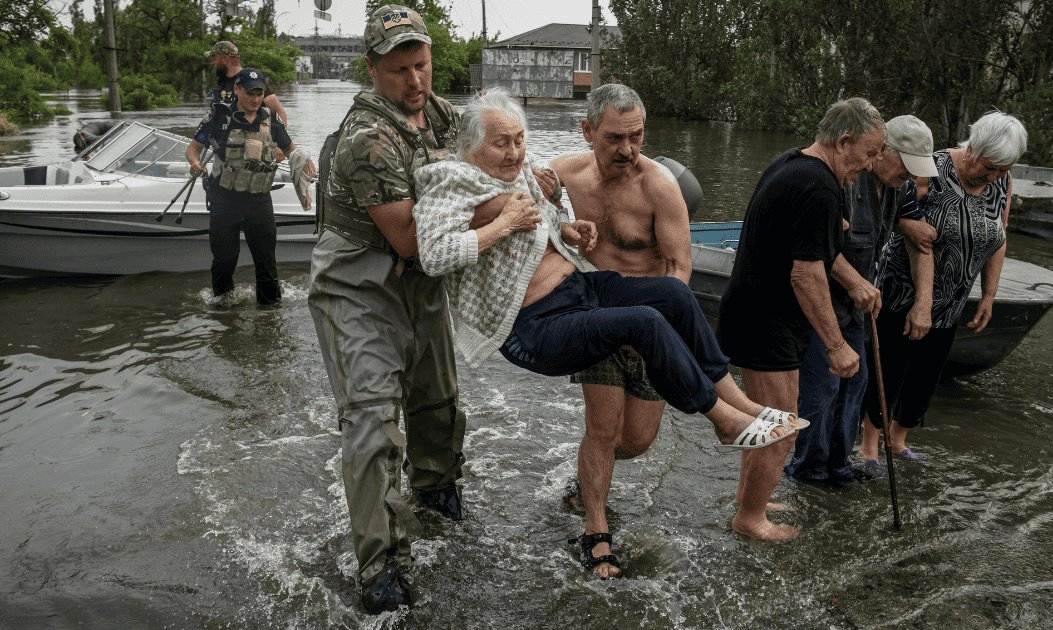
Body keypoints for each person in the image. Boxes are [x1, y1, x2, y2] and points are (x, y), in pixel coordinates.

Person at [411, 88, 805, 551]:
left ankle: (741, 405)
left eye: (519, 139)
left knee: (671, 301)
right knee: (616, 391)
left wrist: (568, 228)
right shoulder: (460, 180)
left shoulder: (640, 183)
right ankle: (711, 431)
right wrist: (504, 223)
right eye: (502, 143)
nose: (515, 151)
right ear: (588, 132)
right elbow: (432, 254)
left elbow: (552, 221)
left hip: (588, 296)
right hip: (540, 323)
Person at [306, 6, 467, 614]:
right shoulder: (367, 141)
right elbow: (413, 240)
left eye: (420, 64)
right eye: (398, 69)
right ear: (372, 69)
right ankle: (381, 565)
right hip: (360, 285)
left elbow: (482, 167)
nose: (414, 81)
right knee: (373, 422)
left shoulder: (441, 113)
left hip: (420, 284)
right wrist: (504, 219)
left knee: (436, 400)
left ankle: (437, 496)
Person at [717, 97, 884, 537]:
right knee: (782, 428)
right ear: (844, 141)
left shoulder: (793, 163)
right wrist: (836, 345)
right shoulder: (819, 187)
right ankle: (750, 520)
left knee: (765, 421)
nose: (869, 166)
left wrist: (849, 274)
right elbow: (807, 274)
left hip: (755, 311)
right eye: (868, 154)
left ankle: (747, 498)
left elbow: (811, 249)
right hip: (765, 319)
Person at [549, 83, 692, 578]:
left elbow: (679, 269)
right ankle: (596, 533)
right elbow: (510, 185)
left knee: (637, 440)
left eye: (637, 137)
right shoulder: (564, 175)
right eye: (615, 138)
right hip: (596, 319)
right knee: (604, 430)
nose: (628, 150)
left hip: (649, 329)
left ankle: (584, 482)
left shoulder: (659, 187)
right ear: (588, 131)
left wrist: (656, 327)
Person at [860, 111, 1028, 464]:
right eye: (992, 165)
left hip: (953, 297)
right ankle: (868, 444)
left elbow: (998, 239)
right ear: (975, 148)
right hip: (904, 290)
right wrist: (910, 229)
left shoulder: (1002, 183)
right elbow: (897, 212)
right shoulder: (929, 168)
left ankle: (897, 439)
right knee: (888, 367)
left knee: (925, 375)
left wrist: (990, 295)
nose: (996, 175)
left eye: (1004, 168)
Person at [784, 115, 939, 486]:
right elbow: (815, 247)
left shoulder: (899, 189)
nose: (912, 178)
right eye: (906, 166)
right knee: (823, 387)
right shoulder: (845, 180)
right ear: (883, 151)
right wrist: (856, 282)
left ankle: (839, 466)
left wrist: (923, 303)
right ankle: (809, 470)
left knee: (857, 383)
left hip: (858, 308)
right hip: (823, 302)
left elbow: (920, 242)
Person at [185, 67, 311, 305]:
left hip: (259, 200)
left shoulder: (270, 120)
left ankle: (271, 316)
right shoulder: (219, 116)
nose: (255, 99)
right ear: (237, 89)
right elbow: (193, 149)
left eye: (259, 94)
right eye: (250, 93)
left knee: (266, 263)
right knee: (224, 260)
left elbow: (291, 150)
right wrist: (194, 164)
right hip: (225, 199)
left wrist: (296, 160)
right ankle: (223, 315)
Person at [205, 40, 289, 126]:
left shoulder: (252, 80)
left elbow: (280, 113)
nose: (212, 63)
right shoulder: (222, 83)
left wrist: (280, 137)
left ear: (225, 59)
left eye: (214, 59)